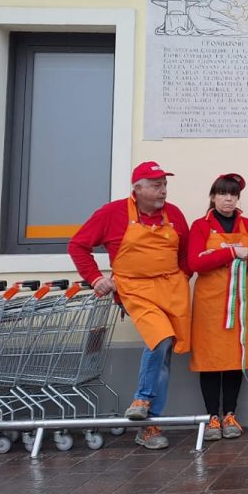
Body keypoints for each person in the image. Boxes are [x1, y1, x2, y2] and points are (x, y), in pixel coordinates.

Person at [68, 161, 190, 451]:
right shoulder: (112, 213)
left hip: (171, 290)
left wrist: (183, 276)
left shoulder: (174, 214)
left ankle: (149, 424)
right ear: (137, 189)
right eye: (156, 184)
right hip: (135, 290)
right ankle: (143, 399)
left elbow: (184, 254)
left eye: (164, 184)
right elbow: (78, 245)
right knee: (159, 339)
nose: (163, 190)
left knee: (164, 350)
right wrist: (96, 278)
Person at [187, 174, 248, 442]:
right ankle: (212, 417)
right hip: (210, 304)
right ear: (213, 196)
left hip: (241, 302)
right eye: (222, 194)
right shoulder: (199, 226)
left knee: (235, 359)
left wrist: (215, 255)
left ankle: (230, 414)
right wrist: (231, 253)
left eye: (233, 194)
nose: (228, 199)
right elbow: (196, 263)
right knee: (210, 361)